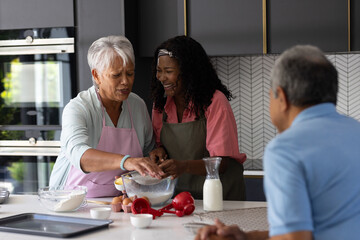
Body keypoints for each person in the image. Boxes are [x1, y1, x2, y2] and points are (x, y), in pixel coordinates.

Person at [195, 45, 360, 240]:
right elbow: (322, 227)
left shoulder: (286, 150)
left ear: (281, 97)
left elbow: (295, 239)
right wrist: (247, 237)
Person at [49, 36, 164, 197]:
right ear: (96, 76)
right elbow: (80, 156)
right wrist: (127, 161)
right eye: (116, 75)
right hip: (71, 202)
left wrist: (154, 155)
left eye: (130, 73)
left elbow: (147, 151)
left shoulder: (137, 105)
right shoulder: (78, 108)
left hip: (118, 203)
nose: (125, 81)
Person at [149, 35, 247, 200]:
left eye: (169, 71)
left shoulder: (214, 102)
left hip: (221, 197)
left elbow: (220, 163)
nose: (161, 78)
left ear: (188, 72)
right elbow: (164, 145)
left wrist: (184, 166)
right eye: (159, 71)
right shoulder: (160, 105)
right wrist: (160, 152)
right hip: (184, 197)